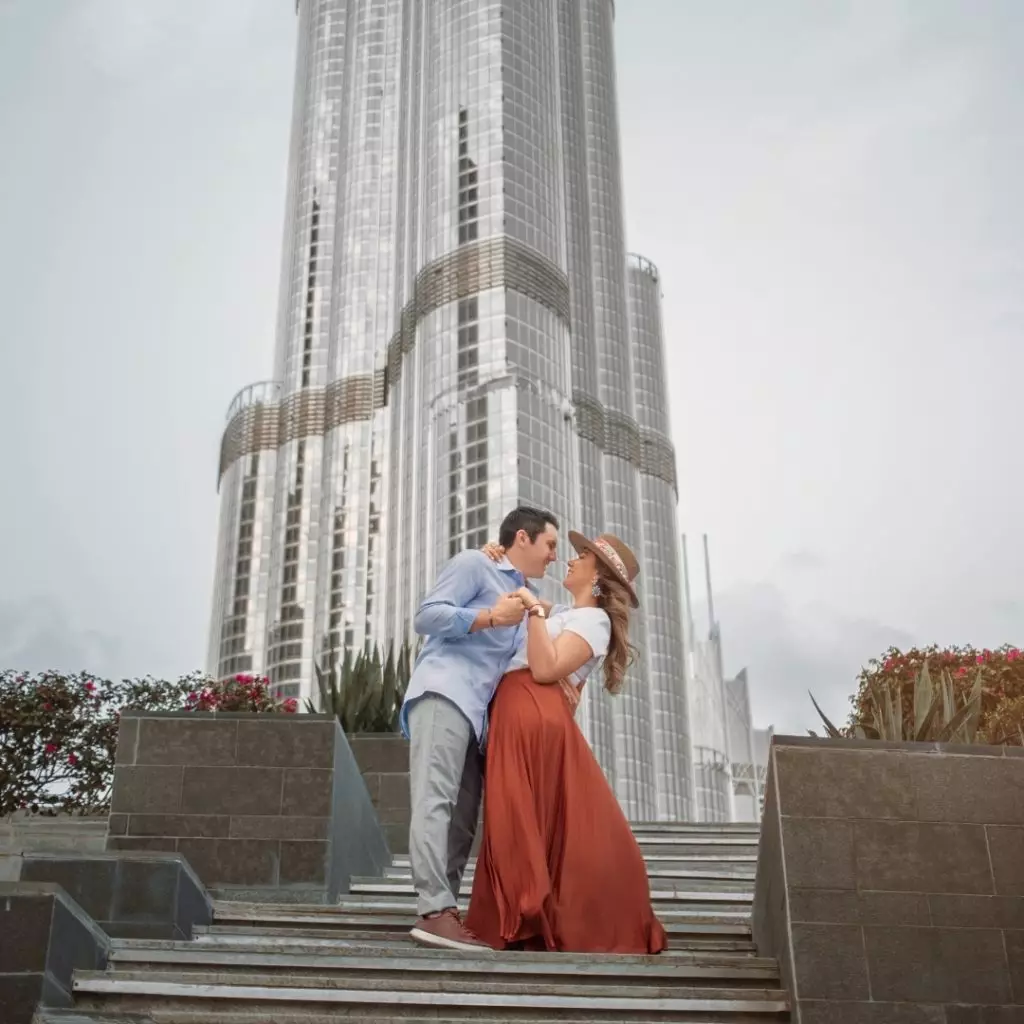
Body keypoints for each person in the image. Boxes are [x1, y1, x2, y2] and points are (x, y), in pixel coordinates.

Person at [464, 530, 668, 955]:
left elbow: (544, 668)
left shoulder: (594, 619)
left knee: (520, 812)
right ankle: (522, 916)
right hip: (520, 709)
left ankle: (524, 916)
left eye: (582, 557)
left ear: (598, 577)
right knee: (519, 815)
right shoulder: (567, 613)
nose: (571, 561)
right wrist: (495, 556)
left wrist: (534, 609)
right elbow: (517, 593)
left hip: (531, 709)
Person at [399, 505, 559, 952]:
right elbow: (427, 617)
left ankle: (441, 911)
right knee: (436, 801)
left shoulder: (529, 595)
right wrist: (490, 617)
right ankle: (434, 910)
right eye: (549, 545)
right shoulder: (475, 563)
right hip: (445, 693)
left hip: (479, 717)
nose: (552, 556)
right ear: (522, 539)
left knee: (464, 820)